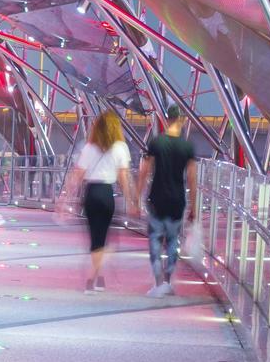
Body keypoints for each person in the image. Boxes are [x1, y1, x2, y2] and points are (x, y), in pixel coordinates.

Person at [68, 110, 134, 294]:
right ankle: (92, 278)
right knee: (104, 239)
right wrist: (130, 200)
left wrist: (65, 197)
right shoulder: (121, 147)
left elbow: (78, 175)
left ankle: (97, 278)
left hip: (91, 193)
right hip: (106, 193)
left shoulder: (89, 147)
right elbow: (123, 177)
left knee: (95, 239)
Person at [137, 106, 197, 297]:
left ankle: (157, 283)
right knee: (172, 241)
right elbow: (192, 179)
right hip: (177, 200)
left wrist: (137, 196)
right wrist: (194, 206)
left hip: (157, 198)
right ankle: (168, 282)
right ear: (181, 120)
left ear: (167, 119)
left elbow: (144, 170)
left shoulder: (157, 142)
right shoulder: (187, 147)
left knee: (155, 239)